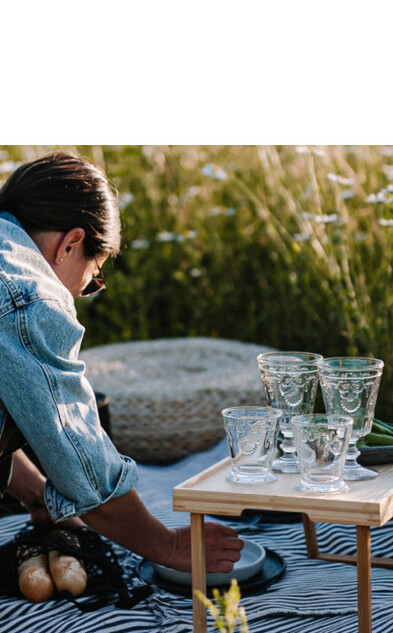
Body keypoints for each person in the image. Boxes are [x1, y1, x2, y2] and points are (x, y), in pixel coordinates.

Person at [0, 151, 242, 574]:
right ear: (70, 244)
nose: (81, 291)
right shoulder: (29, 297)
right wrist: (167, 544)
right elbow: (84, 466)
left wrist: (39, 494)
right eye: (93, 275)